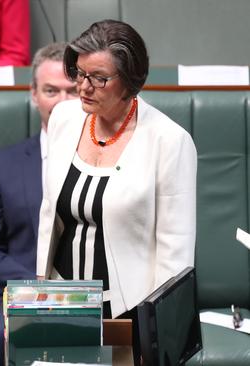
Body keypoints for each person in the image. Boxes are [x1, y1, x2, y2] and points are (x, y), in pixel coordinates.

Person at [37, 20, 197, 322]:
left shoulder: (170, 142)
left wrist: (155, 330)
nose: (83, 87)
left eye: (98, 78)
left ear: (129, 81)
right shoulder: (64, 118)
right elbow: (49, 219)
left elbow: (175, 257)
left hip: (128, 311)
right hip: (59, 300)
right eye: (80, 73)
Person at [0, 42, 78, 366]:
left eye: (71, 91)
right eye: (51, 91)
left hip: (93, 294)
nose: (61, 102)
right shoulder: (5, 164)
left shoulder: (110, 162)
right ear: (33, 94)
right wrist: (36, 288)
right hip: (18, 293)